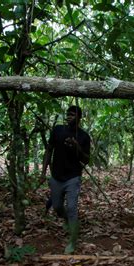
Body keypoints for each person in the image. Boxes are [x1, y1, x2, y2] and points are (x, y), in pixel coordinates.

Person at [40, 106, 91, 254]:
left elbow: (86, 160)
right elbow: (49, 150)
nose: (69, 117)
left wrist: (77, 147)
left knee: (72, 208)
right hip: (56, 176)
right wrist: (43, 172)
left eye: (72, 115)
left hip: (73, 177)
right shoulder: (57, 130)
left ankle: (73, 241)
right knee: (57, 207)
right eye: (67, 114)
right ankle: (66, 220)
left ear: (79, 118)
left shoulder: (83, 137)